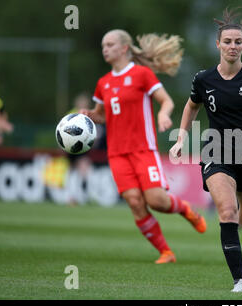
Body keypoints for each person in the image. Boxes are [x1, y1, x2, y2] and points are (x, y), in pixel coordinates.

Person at [170, 8, 242, 292]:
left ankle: (240, 197)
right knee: (227, 212)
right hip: (215, 151)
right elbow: (192, 105)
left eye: (237, 42)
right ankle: (239, 281)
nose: (232, 46)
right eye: (227, 41)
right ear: (217, 44)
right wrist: (181, 138)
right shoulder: (203, 79)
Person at [80, 29, 207, 264]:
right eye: (103, 45)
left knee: (156, 201)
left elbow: (166, 101)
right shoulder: (103, 83)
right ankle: (166, 252)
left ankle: (185, 209)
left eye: (109, 44)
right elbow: (101, 115)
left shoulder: (142, 74)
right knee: (135, 203)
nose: (104, 49)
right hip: (117, 153)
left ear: (124, 48)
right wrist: (89, 114)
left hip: (143, 150)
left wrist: (163, 115)